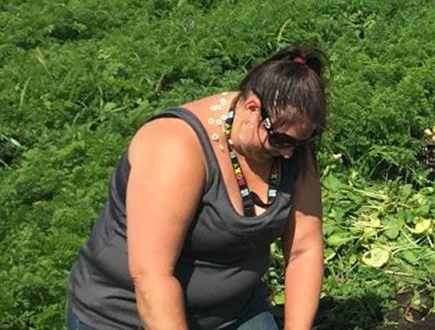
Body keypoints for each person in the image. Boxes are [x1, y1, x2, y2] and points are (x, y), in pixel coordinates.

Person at [66, 45, 328, 330]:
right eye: (281, 141)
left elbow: (304, 248)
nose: (289, 154)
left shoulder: (290, 143)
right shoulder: (176, 149)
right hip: (128, 316)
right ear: (252, 108)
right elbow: (152, 275)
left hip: (233, 311)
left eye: (299, 143)